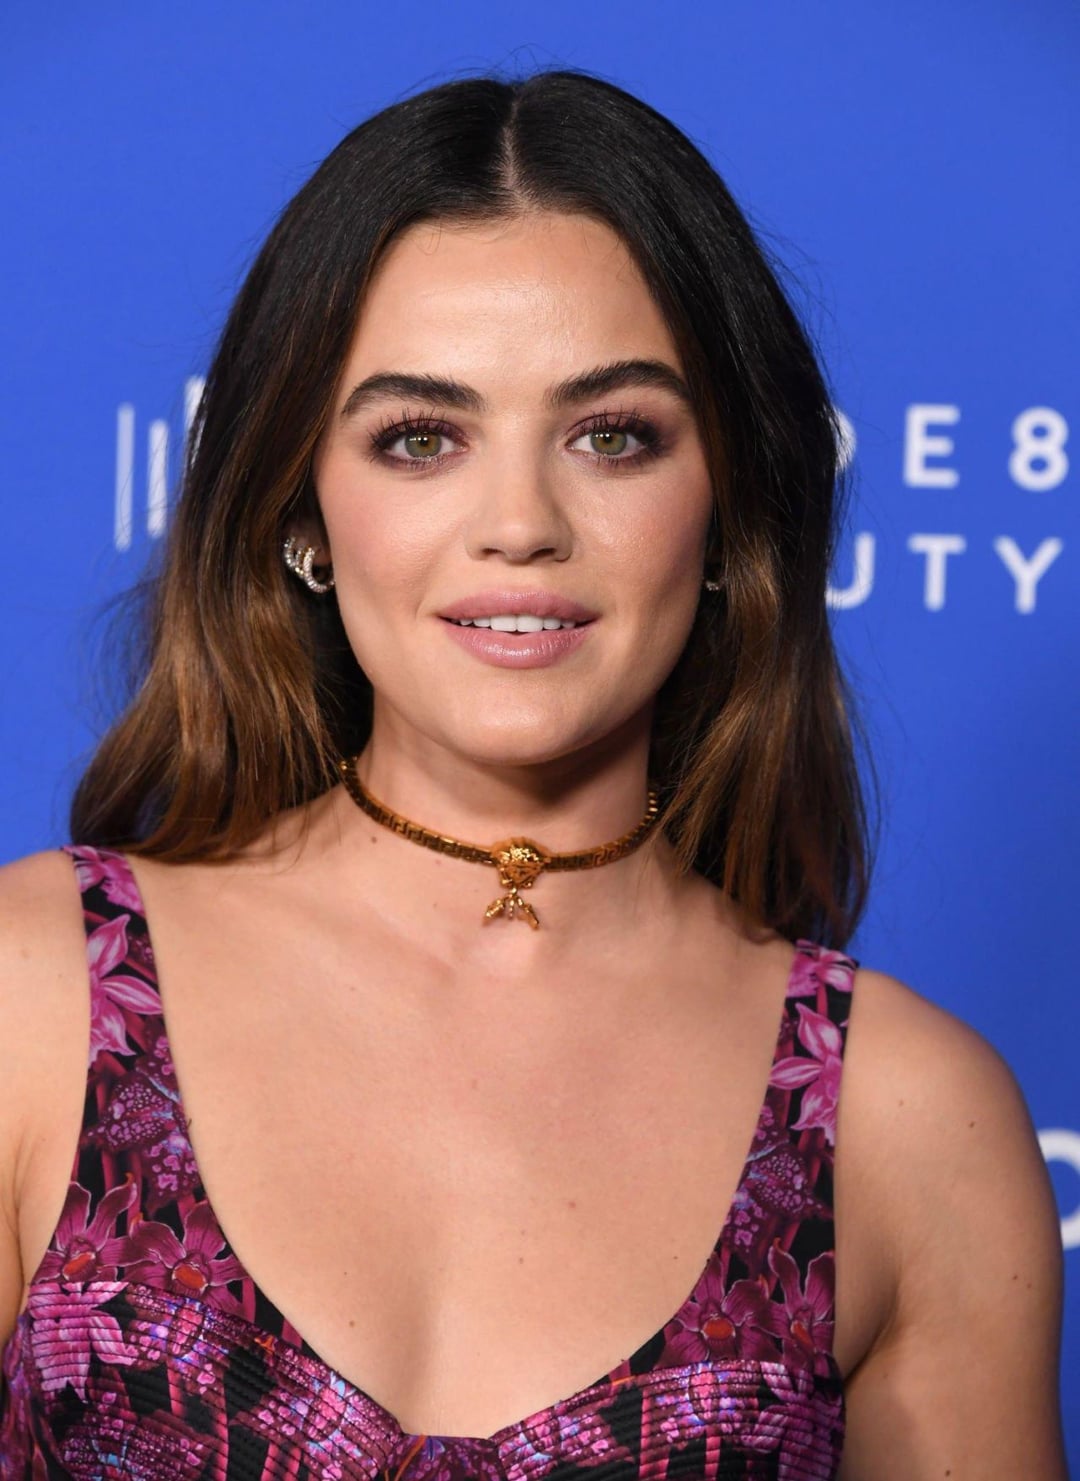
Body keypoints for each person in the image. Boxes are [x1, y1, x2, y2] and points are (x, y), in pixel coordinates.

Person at [0, 67, 1066, 1480]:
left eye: (612, 436)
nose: (520, 523)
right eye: (420, 438)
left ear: (733, 502)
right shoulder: (35, 999)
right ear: (301, 509)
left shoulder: (908, 1124)